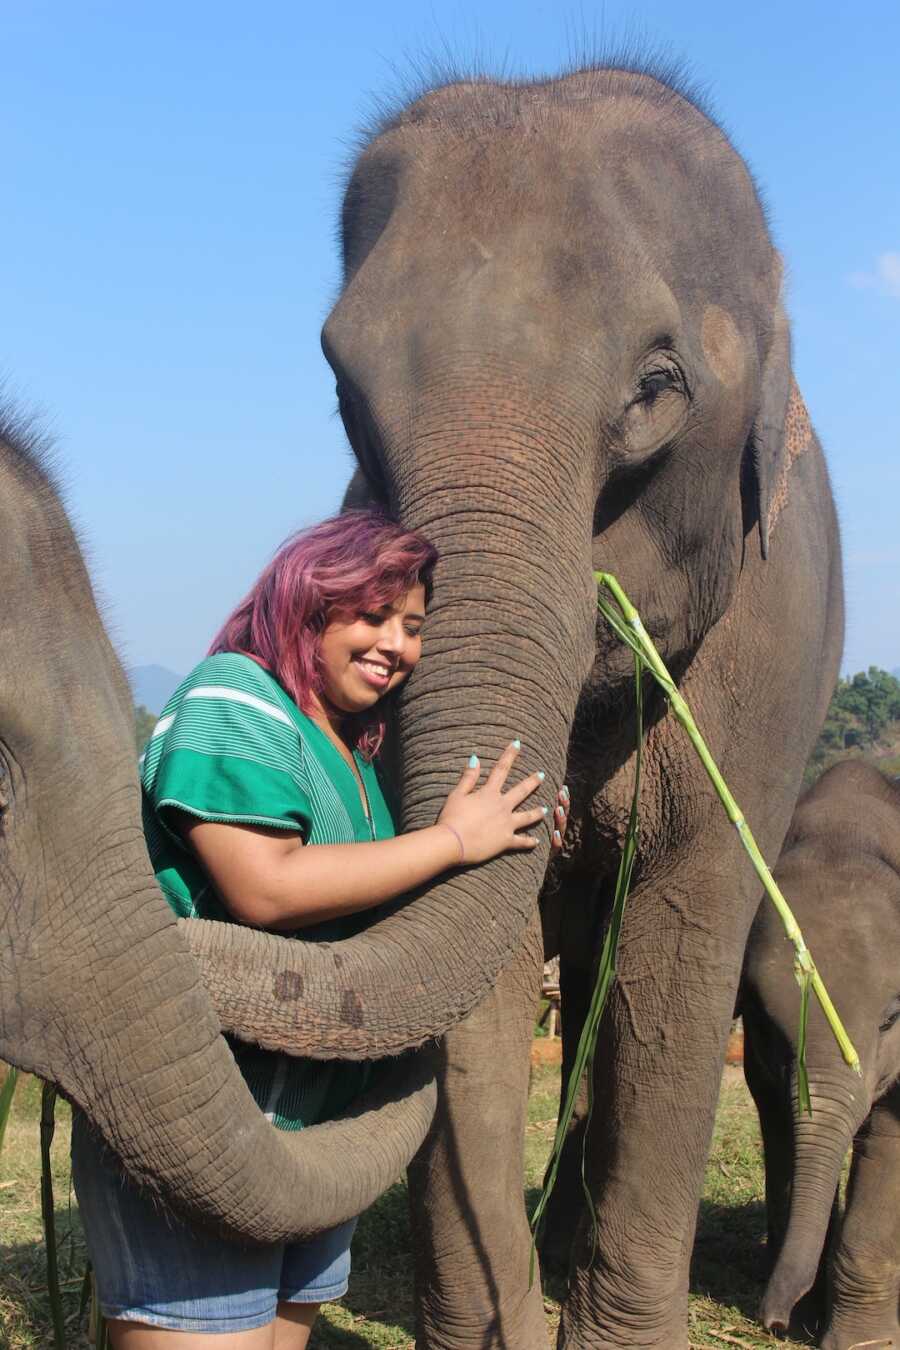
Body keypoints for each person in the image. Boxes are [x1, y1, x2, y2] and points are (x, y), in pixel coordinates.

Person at [72, 510, 568, 1350]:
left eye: (413, 626)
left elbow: (371, 917)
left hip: (317, 1138)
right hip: (206, 1122)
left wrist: (502, 848)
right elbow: (265, 888)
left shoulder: (354, 761)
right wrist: (450, 840)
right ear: (307, 602)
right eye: (372, 615)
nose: (396, 645)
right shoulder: (234, 695)